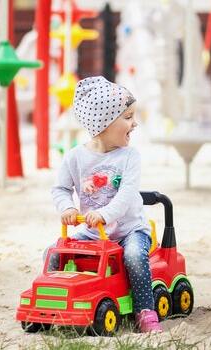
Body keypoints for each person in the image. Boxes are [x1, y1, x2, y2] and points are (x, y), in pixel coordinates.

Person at [50, 76, 162, 333]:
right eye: (127, 117)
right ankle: (59, 301)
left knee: (134, 256)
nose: (134, 124)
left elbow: (126, 194)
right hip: (92, 232)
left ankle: (145, 310)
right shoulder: (76, 158)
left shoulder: (130, 156)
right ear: (104, 123)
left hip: (128, 231)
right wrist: (67, 208)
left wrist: (103, 213)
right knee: (56, 253)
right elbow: (61, 189)